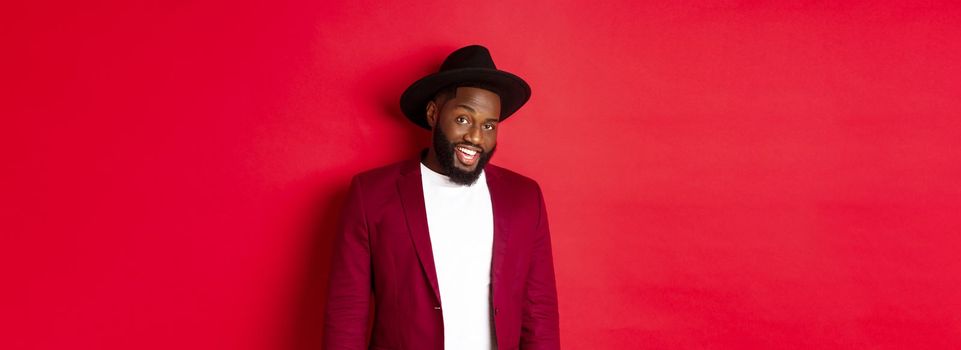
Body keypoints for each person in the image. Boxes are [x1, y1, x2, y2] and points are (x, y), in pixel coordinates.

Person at [324, 45, 560, 350]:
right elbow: (347, 311)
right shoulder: (371, 195)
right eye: (463, 119)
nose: (476, 137)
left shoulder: (524, 198)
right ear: (434, 114)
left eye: (489, 125)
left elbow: (539, 310)